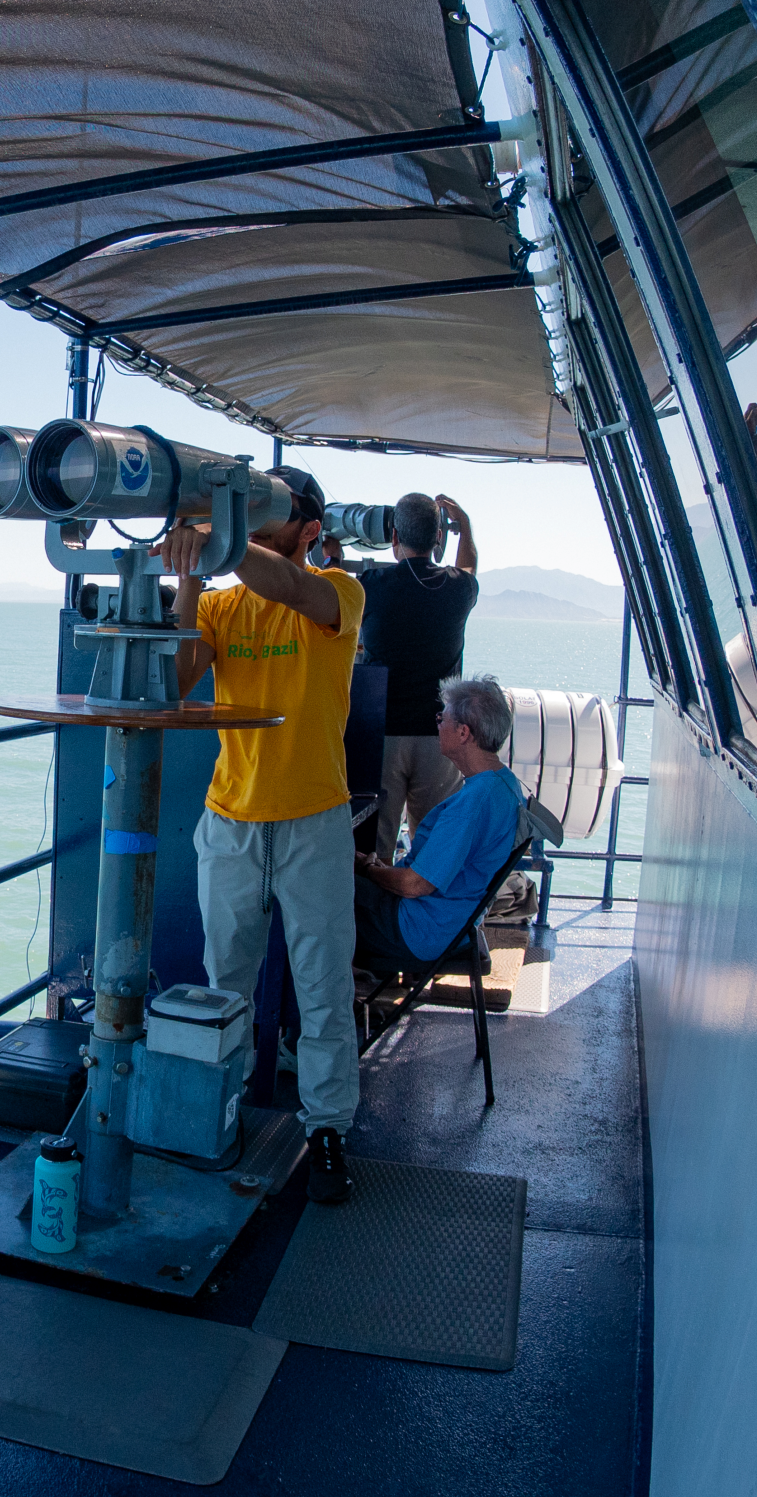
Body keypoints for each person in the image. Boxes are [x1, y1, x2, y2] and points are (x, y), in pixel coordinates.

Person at [163, 466, 368, 1205]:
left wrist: (215, 539)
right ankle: (222, 1114)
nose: (248, 521)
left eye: (266, 510)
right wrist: (190, 576)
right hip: (231, 821)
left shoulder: (339, 593)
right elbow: (184, 676)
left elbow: (288, 588)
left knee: (321, 989)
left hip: (313, 821)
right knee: (228, 985)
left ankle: (328, 1128)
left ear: (309, 530)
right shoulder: (220, 606)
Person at [353, 675, 526, 978]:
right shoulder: (503, 784)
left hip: (418, 932)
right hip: (450, 923)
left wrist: (369, 869)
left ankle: (321, 1010)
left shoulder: (472, 804)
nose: (437, 726)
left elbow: (415, 885)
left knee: (314, 888)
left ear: (463, 732)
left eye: (441, 718)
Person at [357, 492, 479, 868]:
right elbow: (469, 566)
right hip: (439, 734)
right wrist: (467, 529)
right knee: (432, 844)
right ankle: (420, 920)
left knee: (374, 849)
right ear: (438, 541)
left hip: (382, 735)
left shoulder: (370, 585)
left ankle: (373, 922)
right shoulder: (459, 588)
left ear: (394, 537)